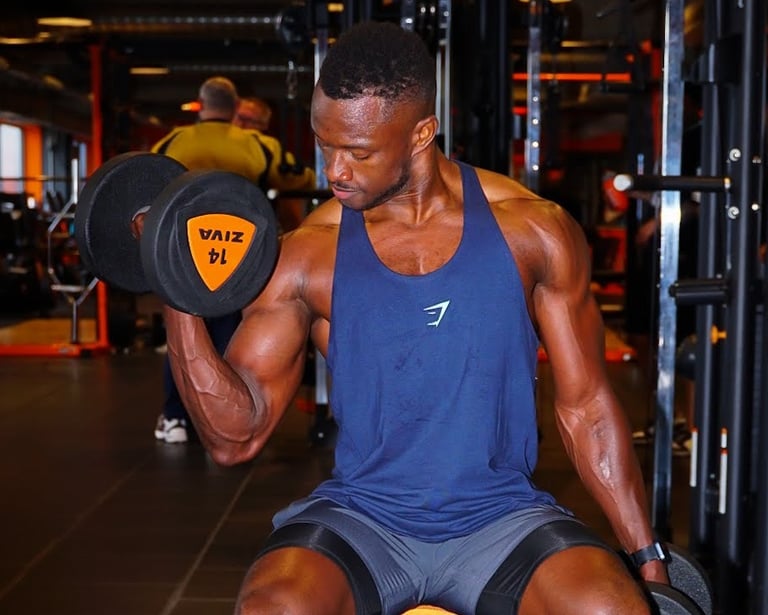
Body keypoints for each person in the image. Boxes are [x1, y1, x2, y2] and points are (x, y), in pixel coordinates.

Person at [150, 22, 668, 614]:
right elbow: (234, 438)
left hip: (502, 518)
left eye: (358, 152)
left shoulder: (533, 231)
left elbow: (586, 407)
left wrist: (646, 554)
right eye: (325, 145)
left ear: (422, 133)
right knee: (274, 608)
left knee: (612, 608)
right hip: (363, 519)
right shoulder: (308, 254)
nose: (335, 171)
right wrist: (175, 286)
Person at [149, 76, 273, 444]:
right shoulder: (257, 146)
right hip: (238, 257)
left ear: (200, 107)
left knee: (184, 336)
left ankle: (176, 418)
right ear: (236, 109)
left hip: (182, 260)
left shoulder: (171, 142)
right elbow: (300, 177)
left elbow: (146, 184)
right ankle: (224, 424)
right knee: (228, 337)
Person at [234, 96, 316, 232]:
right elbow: (299, 179)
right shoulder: (269, 147)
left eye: (248, 120)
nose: (242, 125)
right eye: (240, 118)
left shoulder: (268, 146)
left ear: (264, 125)